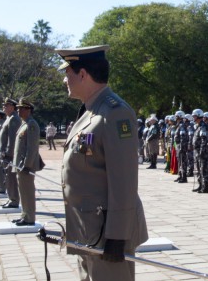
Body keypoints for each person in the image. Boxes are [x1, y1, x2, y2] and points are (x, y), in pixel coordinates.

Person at [57, 45, 148, 281]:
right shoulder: (90, 111)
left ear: (83, 74)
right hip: (88, 228)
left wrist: (117, 236)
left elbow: (124, 180)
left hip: (106, 233)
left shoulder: (113, 113)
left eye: (68, 74)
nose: (65, 81)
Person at [12, 99, 41, 226]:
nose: (18, 110)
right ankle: (25, 215)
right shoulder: (24, 124)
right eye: (18, 108)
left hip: (26, 166)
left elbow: (32, 148)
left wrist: (27, 165)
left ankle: (29, 218)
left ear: (28, 110)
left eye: (21, 108)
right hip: (20, 165)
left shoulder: (31, 125)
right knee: (23, 192)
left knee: (27, 192)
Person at [0, 98, 22, 209]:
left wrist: (8, 153)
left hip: (10, 155)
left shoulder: (13, 119)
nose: (4, 107)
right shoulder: (9, 118)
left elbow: (12, 139)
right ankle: (11, 198)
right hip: (6, 154)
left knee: (11, 179)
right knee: (8, 178)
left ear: (12, 107)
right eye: (3, 105)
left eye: (6, 105)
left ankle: (14, 200)